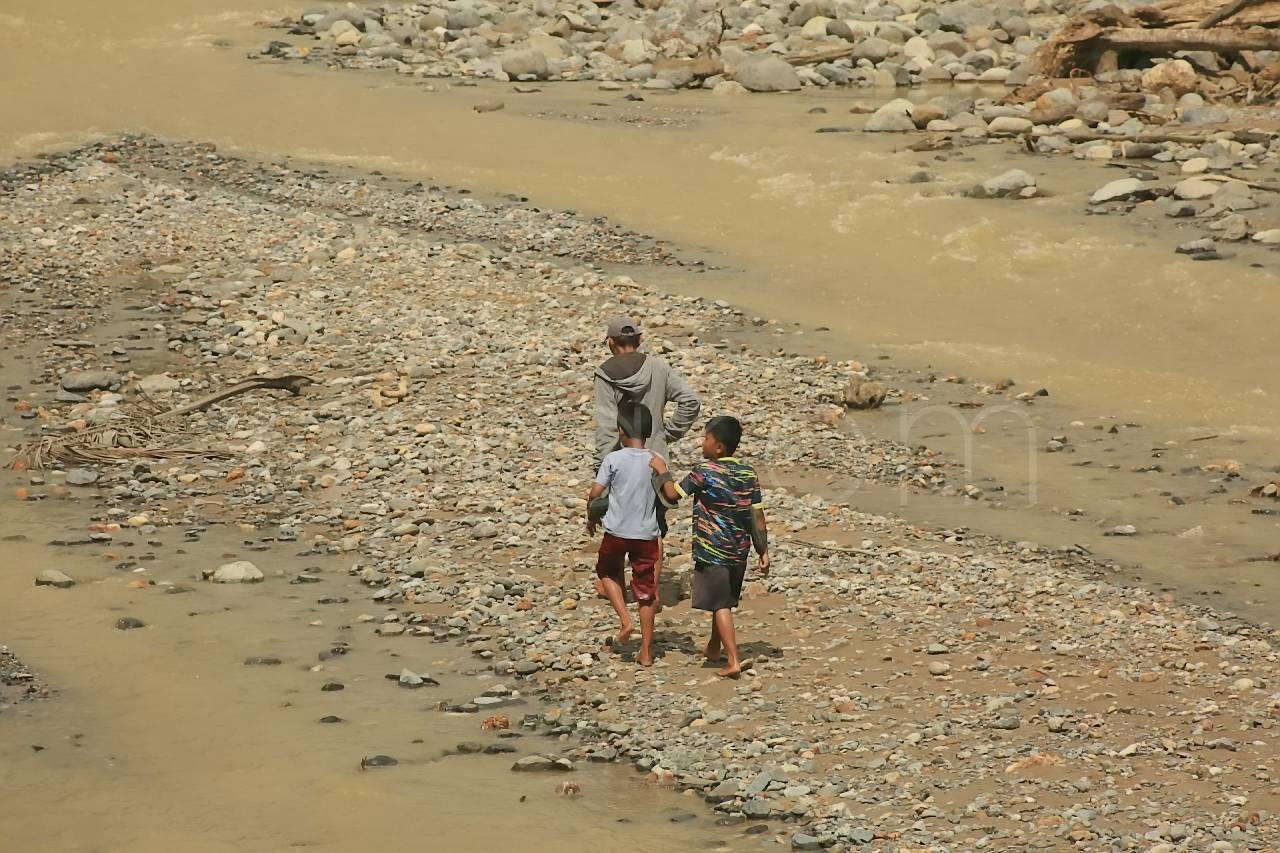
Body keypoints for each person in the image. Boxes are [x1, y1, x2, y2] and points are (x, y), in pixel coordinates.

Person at [651, 416, 769, 679]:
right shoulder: (748, 473)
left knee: (720, 605)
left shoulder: (703, 472)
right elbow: (757, 516)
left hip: (712, 548)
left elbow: (672, 495)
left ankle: (733, 660)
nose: (701, 443)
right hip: (740, 549)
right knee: (724, 599)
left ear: (719, 448)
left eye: (706, 438)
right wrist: (763, 551)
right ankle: (714, 648)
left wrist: (662, 471)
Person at [586, 400, 662, 667]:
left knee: (606, 572)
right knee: (646, 591)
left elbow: (596, 493)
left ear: (620, 430)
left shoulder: (613, 459)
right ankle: (646, 651)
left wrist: (591, 516)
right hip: (646, 534)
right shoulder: (657, 460)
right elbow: (665, 494)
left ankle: (625, 620)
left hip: (617, 530)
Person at [593, 316, 701, 464]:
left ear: (611, 342)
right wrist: (666, 434)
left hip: (622, 463)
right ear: (639, 340)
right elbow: (690, 400)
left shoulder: (605, 374)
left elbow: (607, 427)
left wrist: (603, 466)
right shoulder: (657, 367)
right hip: (657, 458)